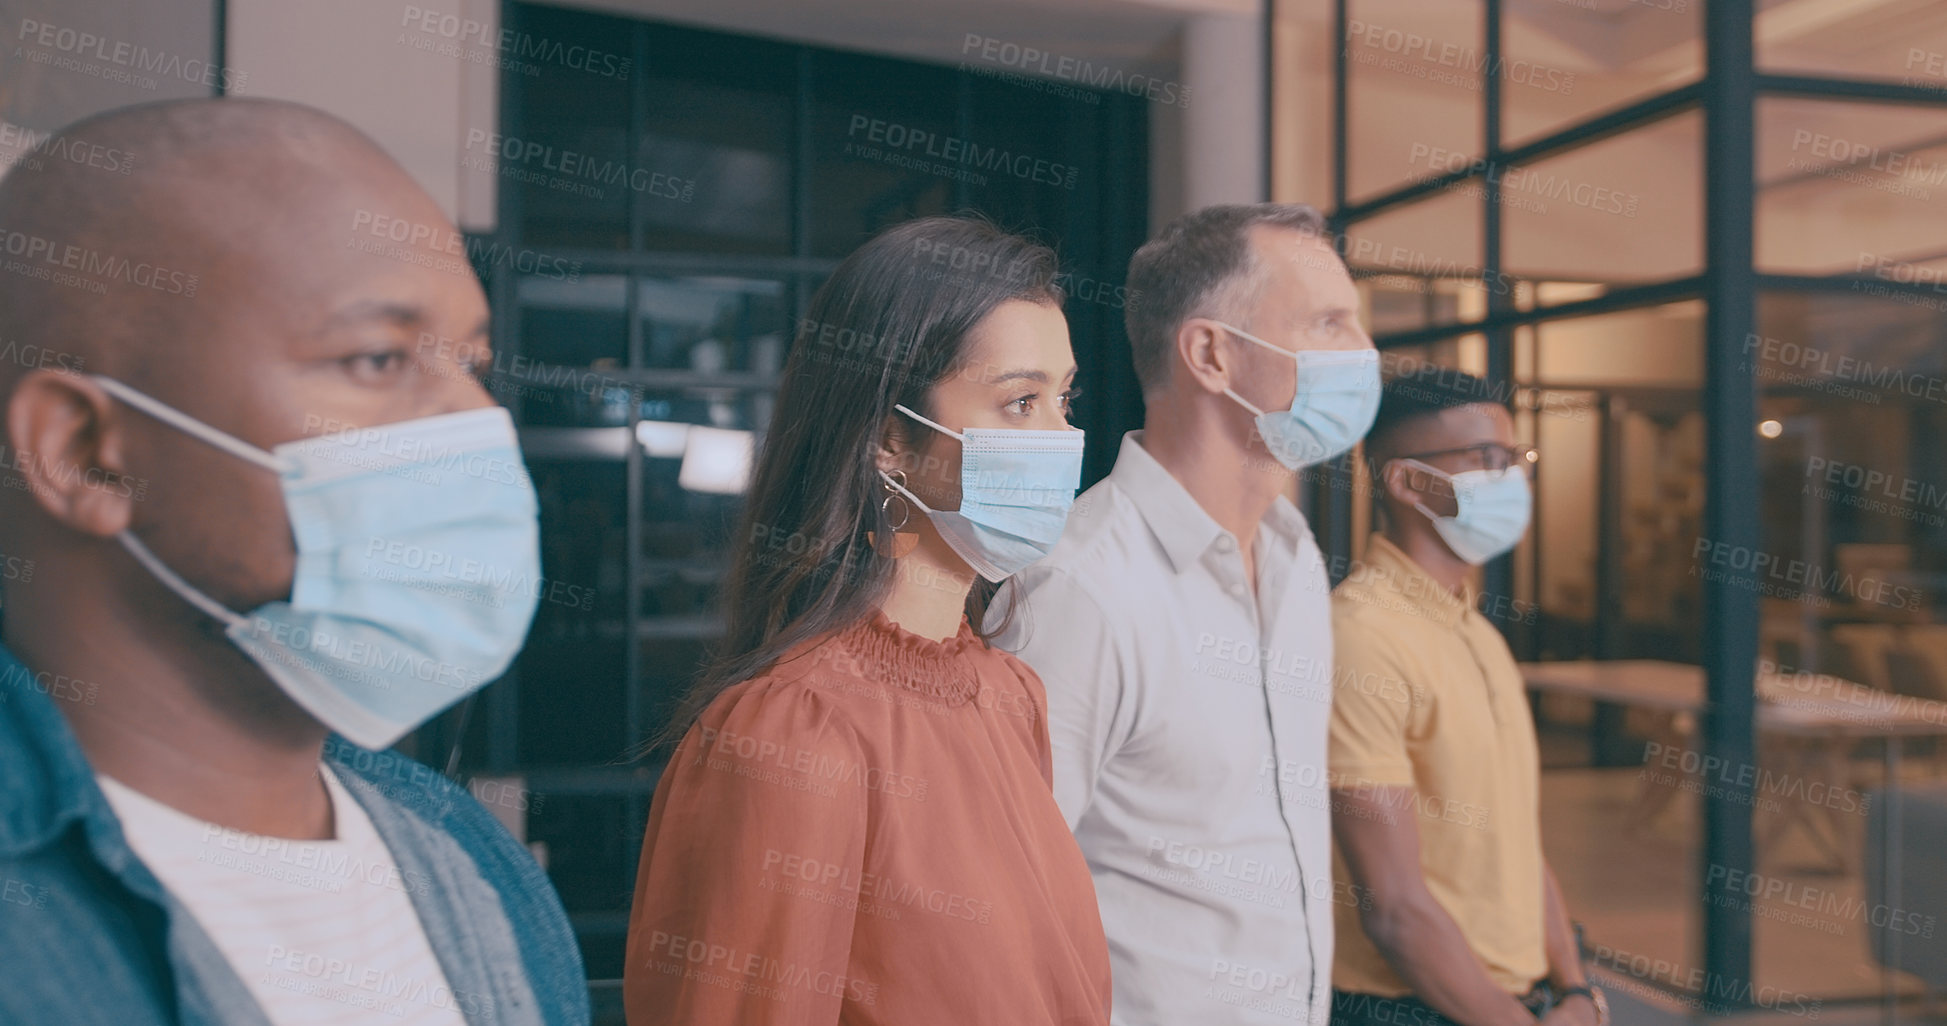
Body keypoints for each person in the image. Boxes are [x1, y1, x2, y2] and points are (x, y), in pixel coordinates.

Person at [0, 98, 587, 1024]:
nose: (477, 426)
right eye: (376, 359)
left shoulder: (471, 859)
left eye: (471, 363)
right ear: (84, 452)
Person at [622, 216, 1111, 1025]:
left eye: (1064, 399)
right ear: (889, 439)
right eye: (1019, 402)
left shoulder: (1009, 693)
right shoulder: (796, 731)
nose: (1061, 439)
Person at [988, 203, 1379, 1026]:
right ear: (1210, 353)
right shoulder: (1080, 590)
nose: (1364, 354)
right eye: (1329, 323)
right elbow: (1002, 902)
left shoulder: (1293, 552)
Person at [1326, 366, 1605, 1026]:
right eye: (1486, 459)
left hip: (1521, 997)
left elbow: (1517, 841)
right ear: (1406, 480)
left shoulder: (1476, 631)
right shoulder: (1359, 636)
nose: (1510, 477)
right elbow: (1393, 908)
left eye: (1514, 458)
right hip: (1412, 1006)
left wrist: (1574, 991)